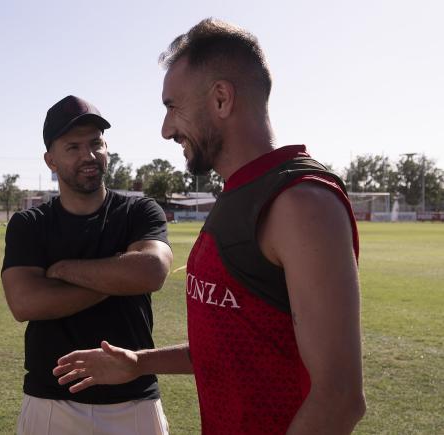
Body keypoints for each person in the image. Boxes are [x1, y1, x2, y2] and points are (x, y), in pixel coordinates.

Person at [53, 19, 366, 434]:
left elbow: (340, 398)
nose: (166, 129)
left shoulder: (300, 203)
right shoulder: (239, 195)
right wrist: (139, 362)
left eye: (172, 106)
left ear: (221, 98)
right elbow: (236, 345)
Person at [1, 95, 174, 435]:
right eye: (73, 147)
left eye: (96, 143)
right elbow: (25, 303)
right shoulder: (30, 224)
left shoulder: (139, 212)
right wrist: (120, 278)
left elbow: (151, 271)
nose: (88, 155)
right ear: (50, 160)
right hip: (51, 401)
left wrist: (62, 270)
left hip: (133, 399)